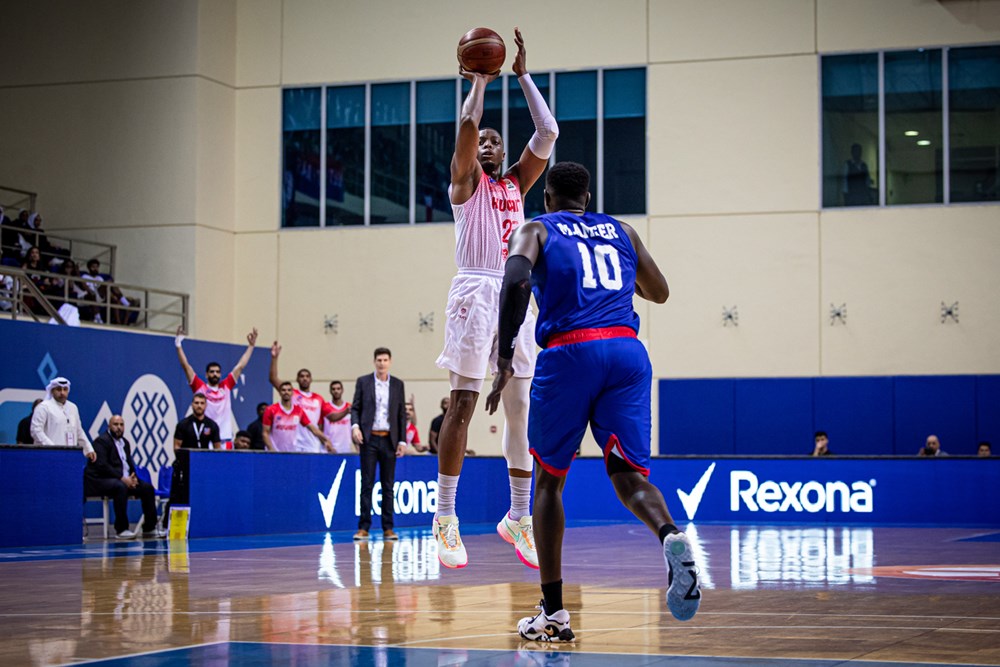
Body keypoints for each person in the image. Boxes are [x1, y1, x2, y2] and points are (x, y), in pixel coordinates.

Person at [485, 161, 701, 641]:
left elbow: (516, 280)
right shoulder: (621, 230)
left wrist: (503, 358)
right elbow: (659, 292)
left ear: (547, 198)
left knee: (548, 485)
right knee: (628, 476)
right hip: (626, 352)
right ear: (588, 196)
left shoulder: (536, 229)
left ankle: (554, 612)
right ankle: (671, 535)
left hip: (568, 352)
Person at [433, 27, 558, 570]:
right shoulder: (465, 184)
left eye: (492, 142)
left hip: (513, 293)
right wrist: (480, 81)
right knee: (462, 404)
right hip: (473, 290)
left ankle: (518, 516)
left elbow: (548, 131)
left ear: (503, 153)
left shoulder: (514, 185)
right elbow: (464, 125)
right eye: (480, 141)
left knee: (520, 409)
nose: (483, 144)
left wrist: (524, 76)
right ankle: (445, 516)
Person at [351, 347, 406, 541]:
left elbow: (401, 414)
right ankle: (363, 527)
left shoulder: (398, 384)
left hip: (389, 440)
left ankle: (388, 528)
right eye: (379, 360)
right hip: (369, 439)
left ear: (390, 362)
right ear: (374, 362)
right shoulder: (363, 382)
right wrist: (355, 427)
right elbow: (355, 407)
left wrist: (402, 440)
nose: (382, 363)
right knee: (367, 483)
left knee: (388, 486)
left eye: (385, 360)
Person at [176, 326, 258, 449]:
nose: (215, 374)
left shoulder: (226, 386)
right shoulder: (200, 387)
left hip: (225, 439)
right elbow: (185, 366)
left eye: (217, 372)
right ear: (206, 374)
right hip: (207, 439)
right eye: (212, 372)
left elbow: (240, 366)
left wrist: (251, 346)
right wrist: (178, 345)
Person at [85, 415, 161, 539]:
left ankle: (149, 528)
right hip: (101, 480)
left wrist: (133, 477)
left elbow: (129, 464)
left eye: (121, 425)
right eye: (115, 424)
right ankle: (121, 529)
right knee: (120, 487)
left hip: (122, 479)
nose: (119, 428)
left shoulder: (125, 443)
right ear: (109, 426)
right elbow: (102, 466)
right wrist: (122, 478)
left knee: (147, 488)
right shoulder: (101, 441)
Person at [269, 342, 329, 453]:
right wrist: (274, 358)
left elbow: (321, 423)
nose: (304, 379)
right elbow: (273, 378)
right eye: (301, 376)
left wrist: (324, 440)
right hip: (295, 442)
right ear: (297, 379)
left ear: (311, 379)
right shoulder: (292, 393)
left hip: (311, 442)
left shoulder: (319, 399)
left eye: (307, 376)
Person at [30, 377, 96, 461]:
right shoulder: (43, 407)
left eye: (65, 389)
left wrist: (88, 449)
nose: (62, 393)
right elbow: (36, 431)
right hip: (48, 456)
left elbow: (79, 430)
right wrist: (53, 448)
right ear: (52, 391)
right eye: (58, 389)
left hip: (70, 455)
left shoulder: (73, 407)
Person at [262, 381, 332, 453]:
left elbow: (313, 429)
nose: (286, 392)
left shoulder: (298, 411)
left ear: (292, 393)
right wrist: (271, 449)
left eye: (289, 390)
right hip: (275, 452)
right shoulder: (271, 410)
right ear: (279, 392)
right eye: (283, 390)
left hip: (292, 452)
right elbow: (265, 433)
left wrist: (326, 439)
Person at [323, 380, 355, 454]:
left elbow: (353, 428)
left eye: (338, 389)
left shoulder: (349, 406)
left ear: (342, 390)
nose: (336, 391)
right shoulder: (325, 406)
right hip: (329, 449)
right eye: (333, 389)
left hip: (346, 448)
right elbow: (332, 418)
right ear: (330, 391)